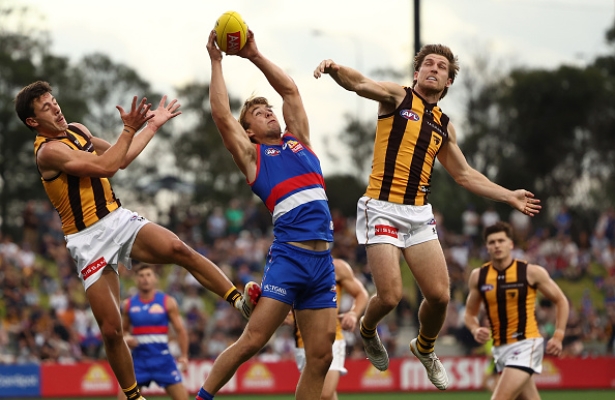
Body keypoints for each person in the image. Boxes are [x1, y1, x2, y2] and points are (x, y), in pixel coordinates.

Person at [313, 45, 542, 390]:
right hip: (381, 206)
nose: (434, 68)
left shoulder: (444, 125)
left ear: (448, 81)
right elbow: (359, 83)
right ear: (416, 73)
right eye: (428, 64)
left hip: (418, 213)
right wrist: (335, 68)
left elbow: (464, 175)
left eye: (441, 66)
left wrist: (509, 195)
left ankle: (424, 346)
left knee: (440, 296)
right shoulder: (397, 97)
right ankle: (367, 329)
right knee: (390, 296)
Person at [14, 82, 260, 400]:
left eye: (54, 101)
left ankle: (239, 302)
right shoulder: (48, 152)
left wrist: (151, 126)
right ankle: (134, 396)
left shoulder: (77, 130)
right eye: (46, 107)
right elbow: (106, 166)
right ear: (33, 121)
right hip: (87, 241)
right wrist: (129, 129)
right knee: (111, 329)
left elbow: (122, 157)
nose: (56, 108)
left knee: (178, 248)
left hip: (116, 219)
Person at [199, 29, 338, 400]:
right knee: (252, 341)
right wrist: (216, 61)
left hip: (322, 263)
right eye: (259, 114)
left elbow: (290, 91)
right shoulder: (253, 157)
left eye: (269, 110)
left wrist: (254, 55)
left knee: (321, 357)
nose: (269, 113)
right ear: (249, 132)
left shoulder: (299, 141)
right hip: (290, 259)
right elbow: (221, 115)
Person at [463, 221, 569, 400]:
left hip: (526, 344)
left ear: (511, 244)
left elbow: (561, 300)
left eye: (501, 241)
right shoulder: (479, 277)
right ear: (487, 247)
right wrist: (474, 329)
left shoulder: (530, 272)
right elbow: (469, 314)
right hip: (500, 349)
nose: (497, 245)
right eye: (492, 242)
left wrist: (558, 335)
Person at [291, 258, 368, 400]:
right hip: (303, 343)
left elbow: (361, 293)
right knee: (324, 394)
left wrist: (353, 314)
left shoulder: (337, 267)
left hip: (331, 337)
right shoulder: (292, 268)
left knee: (324, 393)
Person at [118, 264, 188, 400]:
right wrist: (126, 338)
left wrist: (184, 356)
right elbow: (122, 332)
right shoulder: (128, 305)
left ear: (155, 278)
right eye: (141, 276)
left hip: (163, 360)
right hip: (138, 361)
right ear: (136, 279)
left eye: (148, 275)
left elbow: (181, 331)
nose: (145, 279)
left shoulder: (167, 302)